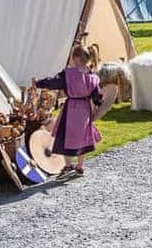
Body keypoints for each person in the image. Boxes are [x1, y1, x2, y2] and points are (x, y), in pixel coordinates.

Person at [34, 44, 104, 174]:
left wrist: (38, 83)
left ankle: (68, 165)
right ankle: (80, 165)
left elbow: (53, 82)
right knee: (82, 136)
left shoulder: (68, 74)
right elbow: (97, 96)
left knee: (65, 135)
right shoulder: (92, 77)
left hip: (71, 108)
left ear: (76, 58)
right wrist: (97, 104)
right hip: (85, 110)